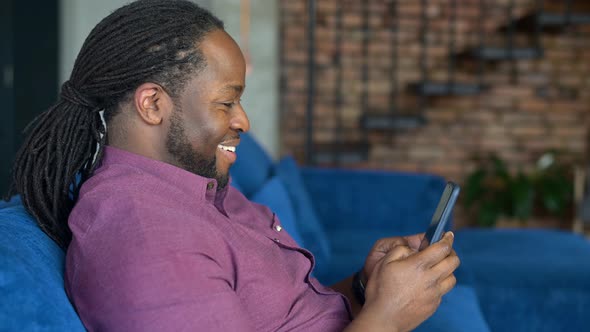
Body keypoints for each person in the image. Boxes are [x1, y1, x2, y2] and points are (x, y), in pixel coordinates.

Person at [8, 0, 459, 331]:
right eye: (227, 101)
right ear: (152, 104)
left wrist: (366, 287)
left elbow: (289, 314)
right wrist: (387, 316)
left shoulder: (195, 186)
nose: (242, 121)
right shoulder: (145, 236)